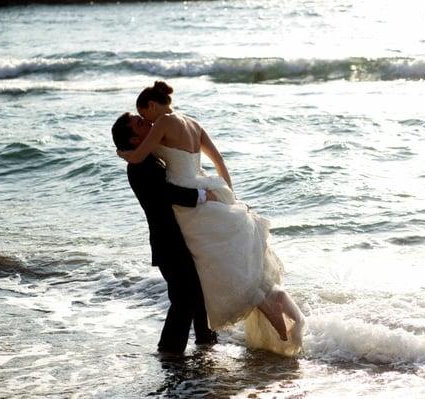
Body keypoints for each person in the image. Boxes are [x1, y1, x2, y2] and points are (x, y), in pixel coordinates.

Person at [116, 81, 304, 356]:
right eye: (139, 123)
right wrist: (228, 196)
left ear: (152, 105)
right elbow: (219, 163)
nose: (146, 123)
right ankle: (184, 349)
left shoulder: (159, 131)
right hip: (196, 199)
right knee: (207, 277)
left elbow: (139, 156)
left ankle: (196, 344)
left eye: (143, 116)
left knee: (212, 272)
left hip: (193, 205)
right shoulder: (190, 124)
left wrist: (125, 154)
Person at [111, 112, 217, 354]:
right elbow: (165, 193)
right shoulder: (139, 166)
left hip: (180, 238)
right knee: (184, 300)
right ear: (135, 140)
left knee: (197, 294)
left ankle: (206, 346)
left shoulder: (150, 156)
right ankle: (170, 354)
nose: (149, 123)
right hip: (168, 243)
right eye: (140, 123)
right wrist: (201, 196)